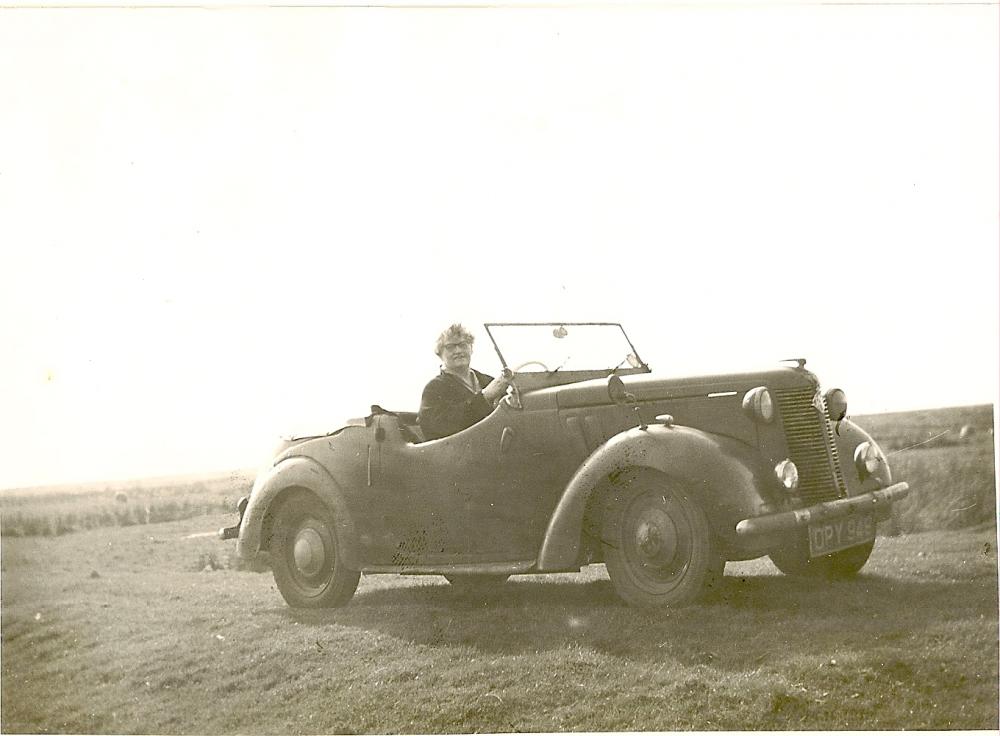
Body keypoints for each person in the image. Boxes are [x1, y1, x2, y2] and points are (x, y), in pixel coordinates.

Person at [418, 323, 512, 441]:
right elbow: (437, 427)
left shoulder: (488, 381)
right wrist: (484, 397)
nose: (458, 351)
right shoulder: (434, 388)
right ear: (439, 353)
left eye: (463, 345)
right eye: (450, 347)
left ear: (471, 348)